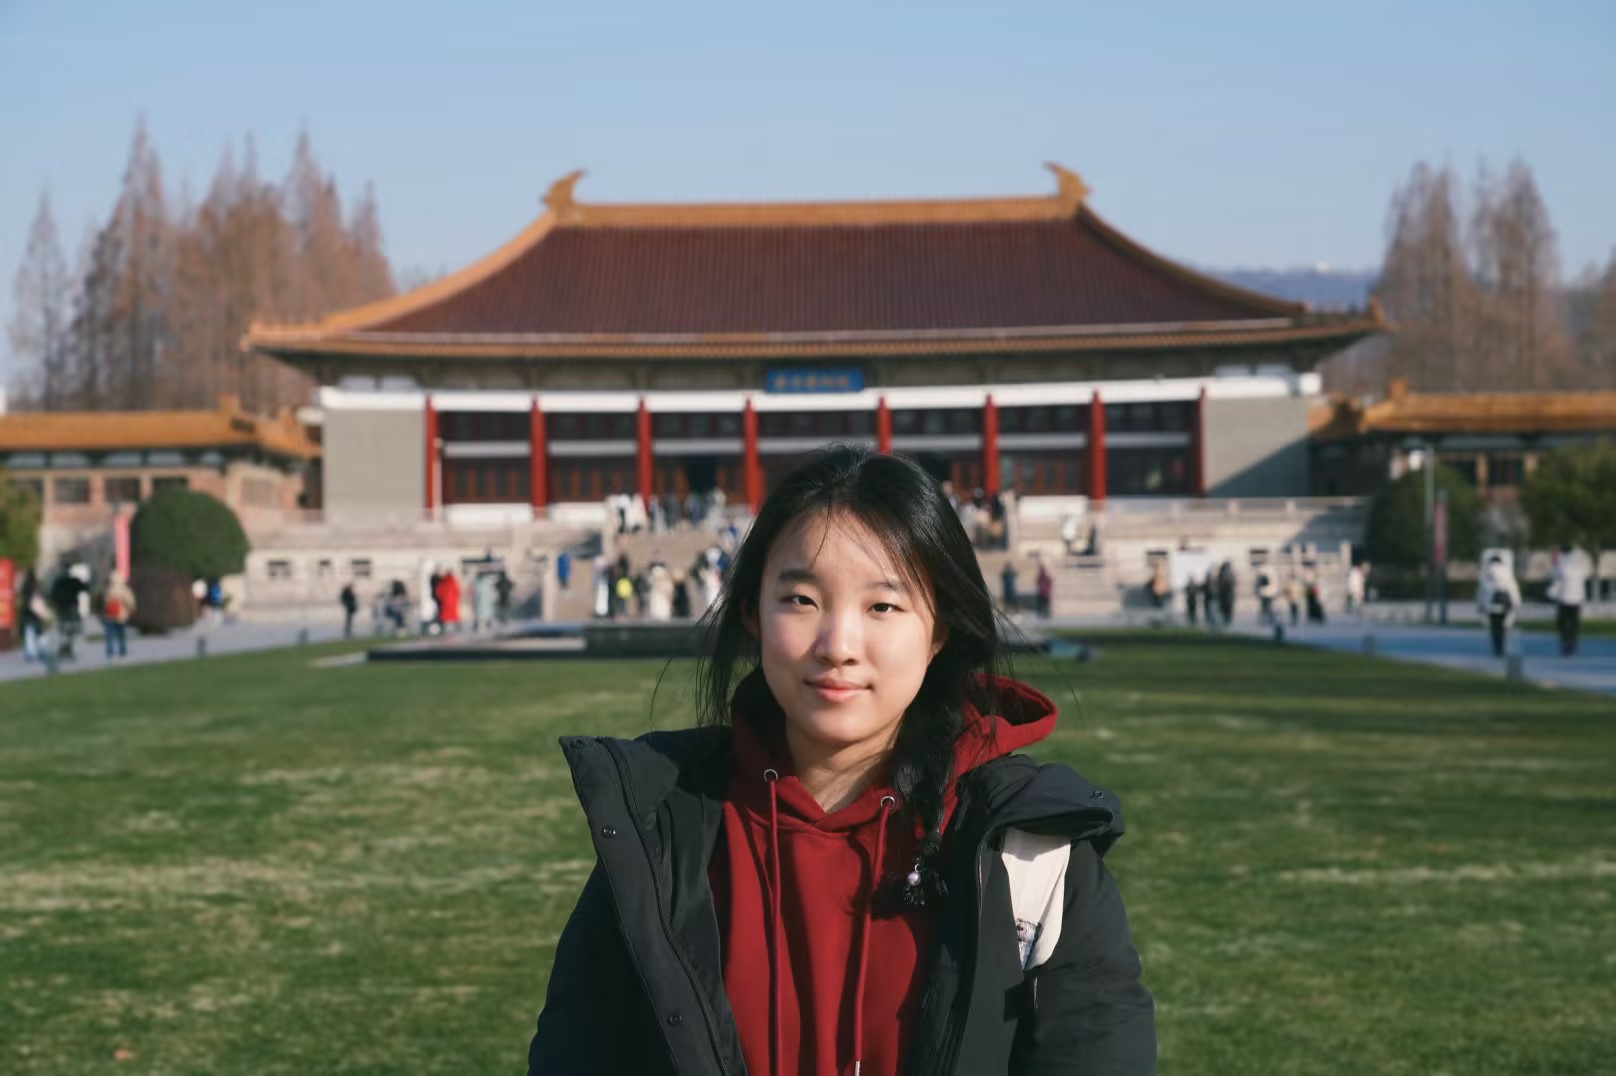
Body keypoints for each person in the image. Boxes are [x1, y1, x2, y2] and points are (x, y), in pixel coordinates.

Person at [528, 444, 1154, 1075]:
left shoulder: (1033, 854)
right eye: (801, 600)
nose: (838, 646)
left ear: (939, 631)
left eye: (883, 606)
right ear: (752, 612)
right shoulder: (655, 837)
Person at [1547, 544, 1590, 657]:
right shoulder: (1580, 563)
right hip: (1577, 598)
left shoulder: (1563, 564)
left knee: (1562, 622)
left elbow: (1556, 577)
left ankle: (1565, 641)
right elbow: (1585, 575)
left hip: (1565, 598)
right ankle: (1572, 642)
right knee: (1574, 622)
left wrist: (1554, 560)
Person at [1477, 552, 1522, 658]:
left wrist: (1480, 605)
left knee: (1494, 628)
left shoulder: (1486, 574)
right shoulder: (1507, 574)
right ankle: (1502, 647)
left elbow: (1481, 591)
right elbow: (1513, 589)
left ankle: (1496, 648)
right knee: (1503, 627)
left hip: (1491, 605)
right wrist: (1517, 603)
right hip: (1505, 604)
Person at [101, 570, 136, 660]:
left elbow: (105, 603)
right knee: (122, 635)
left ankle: (110, 652)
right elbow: (130, 601)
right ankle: (122, 651)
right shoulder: (124, 589)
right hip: (121, 616)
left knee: (109, 636)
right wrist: (130, 610)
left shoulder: (108, 589)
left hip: (109, 616)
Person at [19, 568, 47, 663]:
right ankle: (43, 651)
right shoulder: (37, 586)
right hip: (37, 613)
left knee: (29, 633)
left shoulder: (26, 586)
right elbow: (42, 598)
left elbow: (24, 599)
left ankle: (31, 653)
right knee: (39, 633)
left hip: (28, 613)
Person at [1035, 555, 1054, 619]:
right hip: (1043, 592)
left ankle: (1045, 614)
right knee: (1042, 604)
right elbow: (1038, 583)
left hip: (1044, 592)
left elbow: (1049, 583)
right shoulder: (1043, 577)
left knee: (1043, 604)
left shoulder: (1044, 577)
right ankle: (1044, 614)